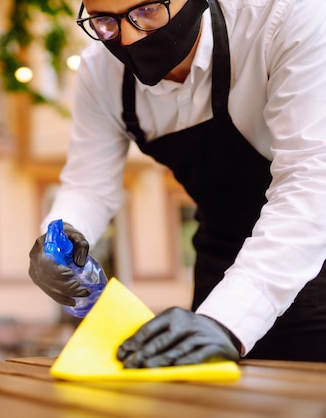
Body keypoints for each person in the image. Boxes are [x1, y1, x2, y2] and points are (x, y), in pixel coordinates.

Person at [29, 0, 326, 368]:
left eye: (149, 10)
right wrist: (59, 235)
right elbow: (88, 185)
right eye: (105, 21)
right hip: (219, 264)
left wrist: (228, 319)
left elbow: (311, 180)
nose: (130, 38)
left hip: (312, 253)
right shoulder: (99, 71)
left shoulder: (286, 17)